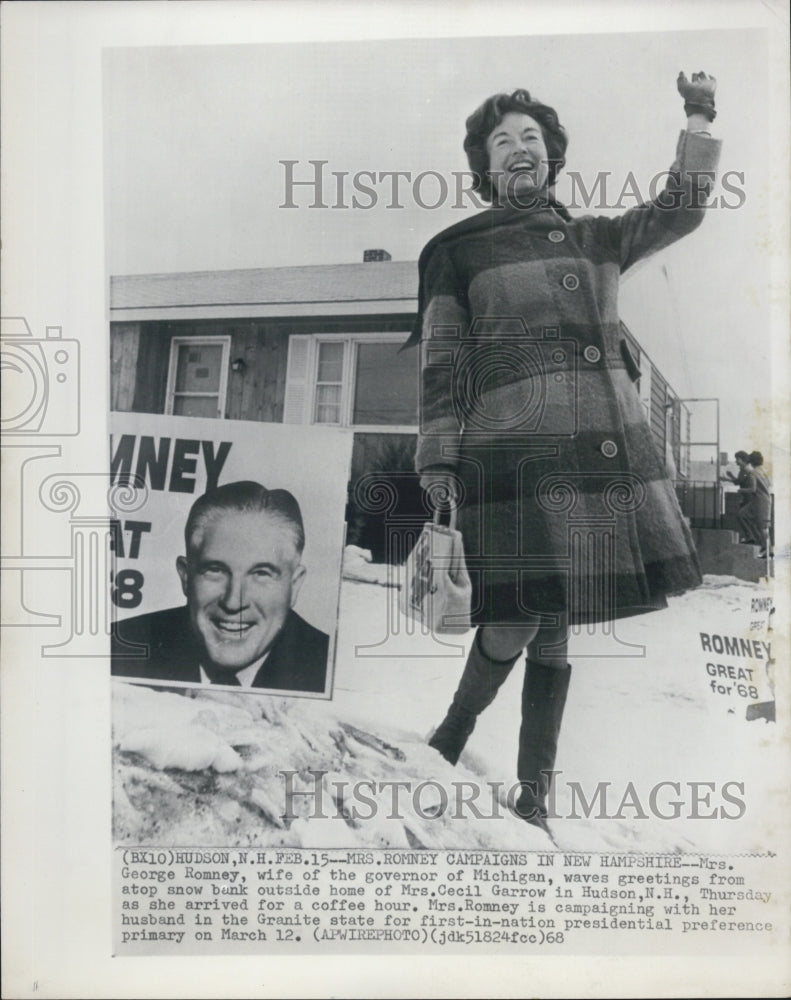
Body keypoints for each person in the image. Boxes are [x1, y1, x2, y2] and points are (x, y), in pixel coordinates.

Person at [408, 73, 720, 835]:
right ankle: (449, 738)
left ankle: (535, 793)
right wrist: (438, 460)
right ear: (483, 167)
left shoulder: (596, 239)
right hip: (506, 461)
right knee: (516, 616)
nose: (518, 149)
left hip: (589, 462)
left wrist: (699, 117)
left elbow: (680, 209)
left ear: (551, 159)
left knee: (554, 618)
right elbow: (443, 360)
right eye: (500, 141)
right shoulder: (455, 251)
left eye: (531, 139)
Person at [112, 481, 329, 692]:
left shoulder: (330, 669)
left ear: (295, 584)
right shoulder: (116, 648)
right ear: (186, 577)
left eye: (261, 573)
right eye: (215, 570)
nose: (233, 601)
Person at [723, 451, 762, 546]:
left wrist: (729, 479)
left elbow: (740, 482)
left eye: (737, 459)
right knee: (745, 518)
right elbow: (738, 481)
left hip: (749, 498)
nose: (736, 461)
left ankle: (752, 537)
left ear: (742, 459)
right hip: (746, 498)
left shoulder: (745, 470)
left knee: (742, 517)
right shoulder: (743, 470)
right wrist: (730, 476)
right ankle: (753, 538)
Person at [748, 451, 773, 556]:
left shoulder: (753, 472)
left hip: (759, 500)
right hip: (767, 499)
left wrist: (743, 490)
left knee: (761, 527)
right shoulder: (765, 471)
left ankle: (767, 549)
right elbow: (769, 484)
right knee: (765, 526)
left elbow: (753, 489)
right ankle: (768, 549)